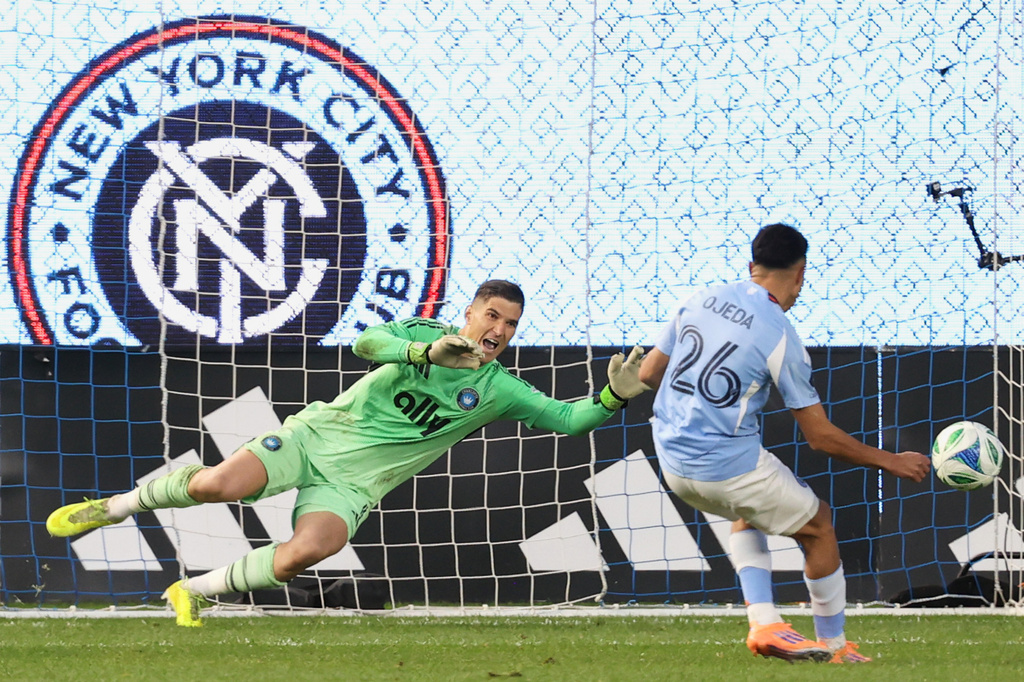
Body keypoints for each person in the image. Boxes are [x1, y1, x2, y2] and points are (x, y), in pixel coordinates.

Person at [47, 279, 648, 626]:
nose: (499, 329)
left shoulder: (499, 392)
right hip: (312, 440)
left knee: (304, 554)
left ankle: (194, 592)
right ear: (469, 312)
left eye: (511, 324)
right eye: (492, 315)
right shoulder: (422, 334)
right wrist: (423, 355)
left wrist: (614, 396)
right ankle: (116, 506)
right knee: (213, 486)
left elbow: (573, 420)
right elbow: (367, 341)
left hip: (354, 487)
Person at [637, 224, 930, 664]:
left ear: (752, 265)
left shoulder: (699, 297)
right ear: (801, 274)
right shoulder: (781, 333)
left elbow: (647, 374)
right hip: (726, 467)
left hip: (673, 464)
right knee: (820, 526)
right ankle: (834, 647)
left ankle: (765, 620)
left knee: (748, 512)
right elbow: (820, 437)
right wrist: (892, 461)